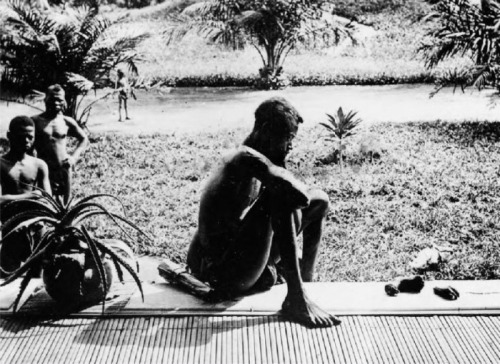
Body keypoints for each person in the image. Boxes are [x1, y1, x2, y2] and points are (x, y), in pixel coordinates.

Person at [187, 97, 340, 328]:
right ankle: (296, 297)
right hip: (222, 272)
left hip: (243, 260)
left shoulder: (260, 160)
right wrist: (280, 171)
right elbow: (294, 194)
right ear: (266, 130)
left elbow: (305, 199)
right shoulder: (243, 158)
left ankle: (305, 284)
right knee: (280, 194)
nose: (290, 146)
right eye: (288, 138)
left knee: (320, 201)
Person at [1, 116, 52, 273]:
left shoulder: (39, 165)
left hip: (36, 228)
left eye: (30, 136)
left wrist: (14, 199)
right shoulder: (1, 165)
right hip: (11, 228)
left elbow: (47, 201)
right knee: (7, 277)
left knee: (38, 277)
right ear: (9, 136)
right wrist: (30, 196)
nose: (26, 141)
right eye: (21, 136)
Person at [32, 84, 89, 203]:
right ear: (45, 99)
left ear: (64, 101)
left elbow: (84, 138)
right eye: (52, 99)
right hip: (44, 169)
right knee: (44, 202)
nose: (56, 103)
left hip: (63, 169)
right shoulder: (35, 121)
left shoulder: (66, 122)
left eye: (60, 100)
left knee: (64, 206)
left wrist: (73, 158)